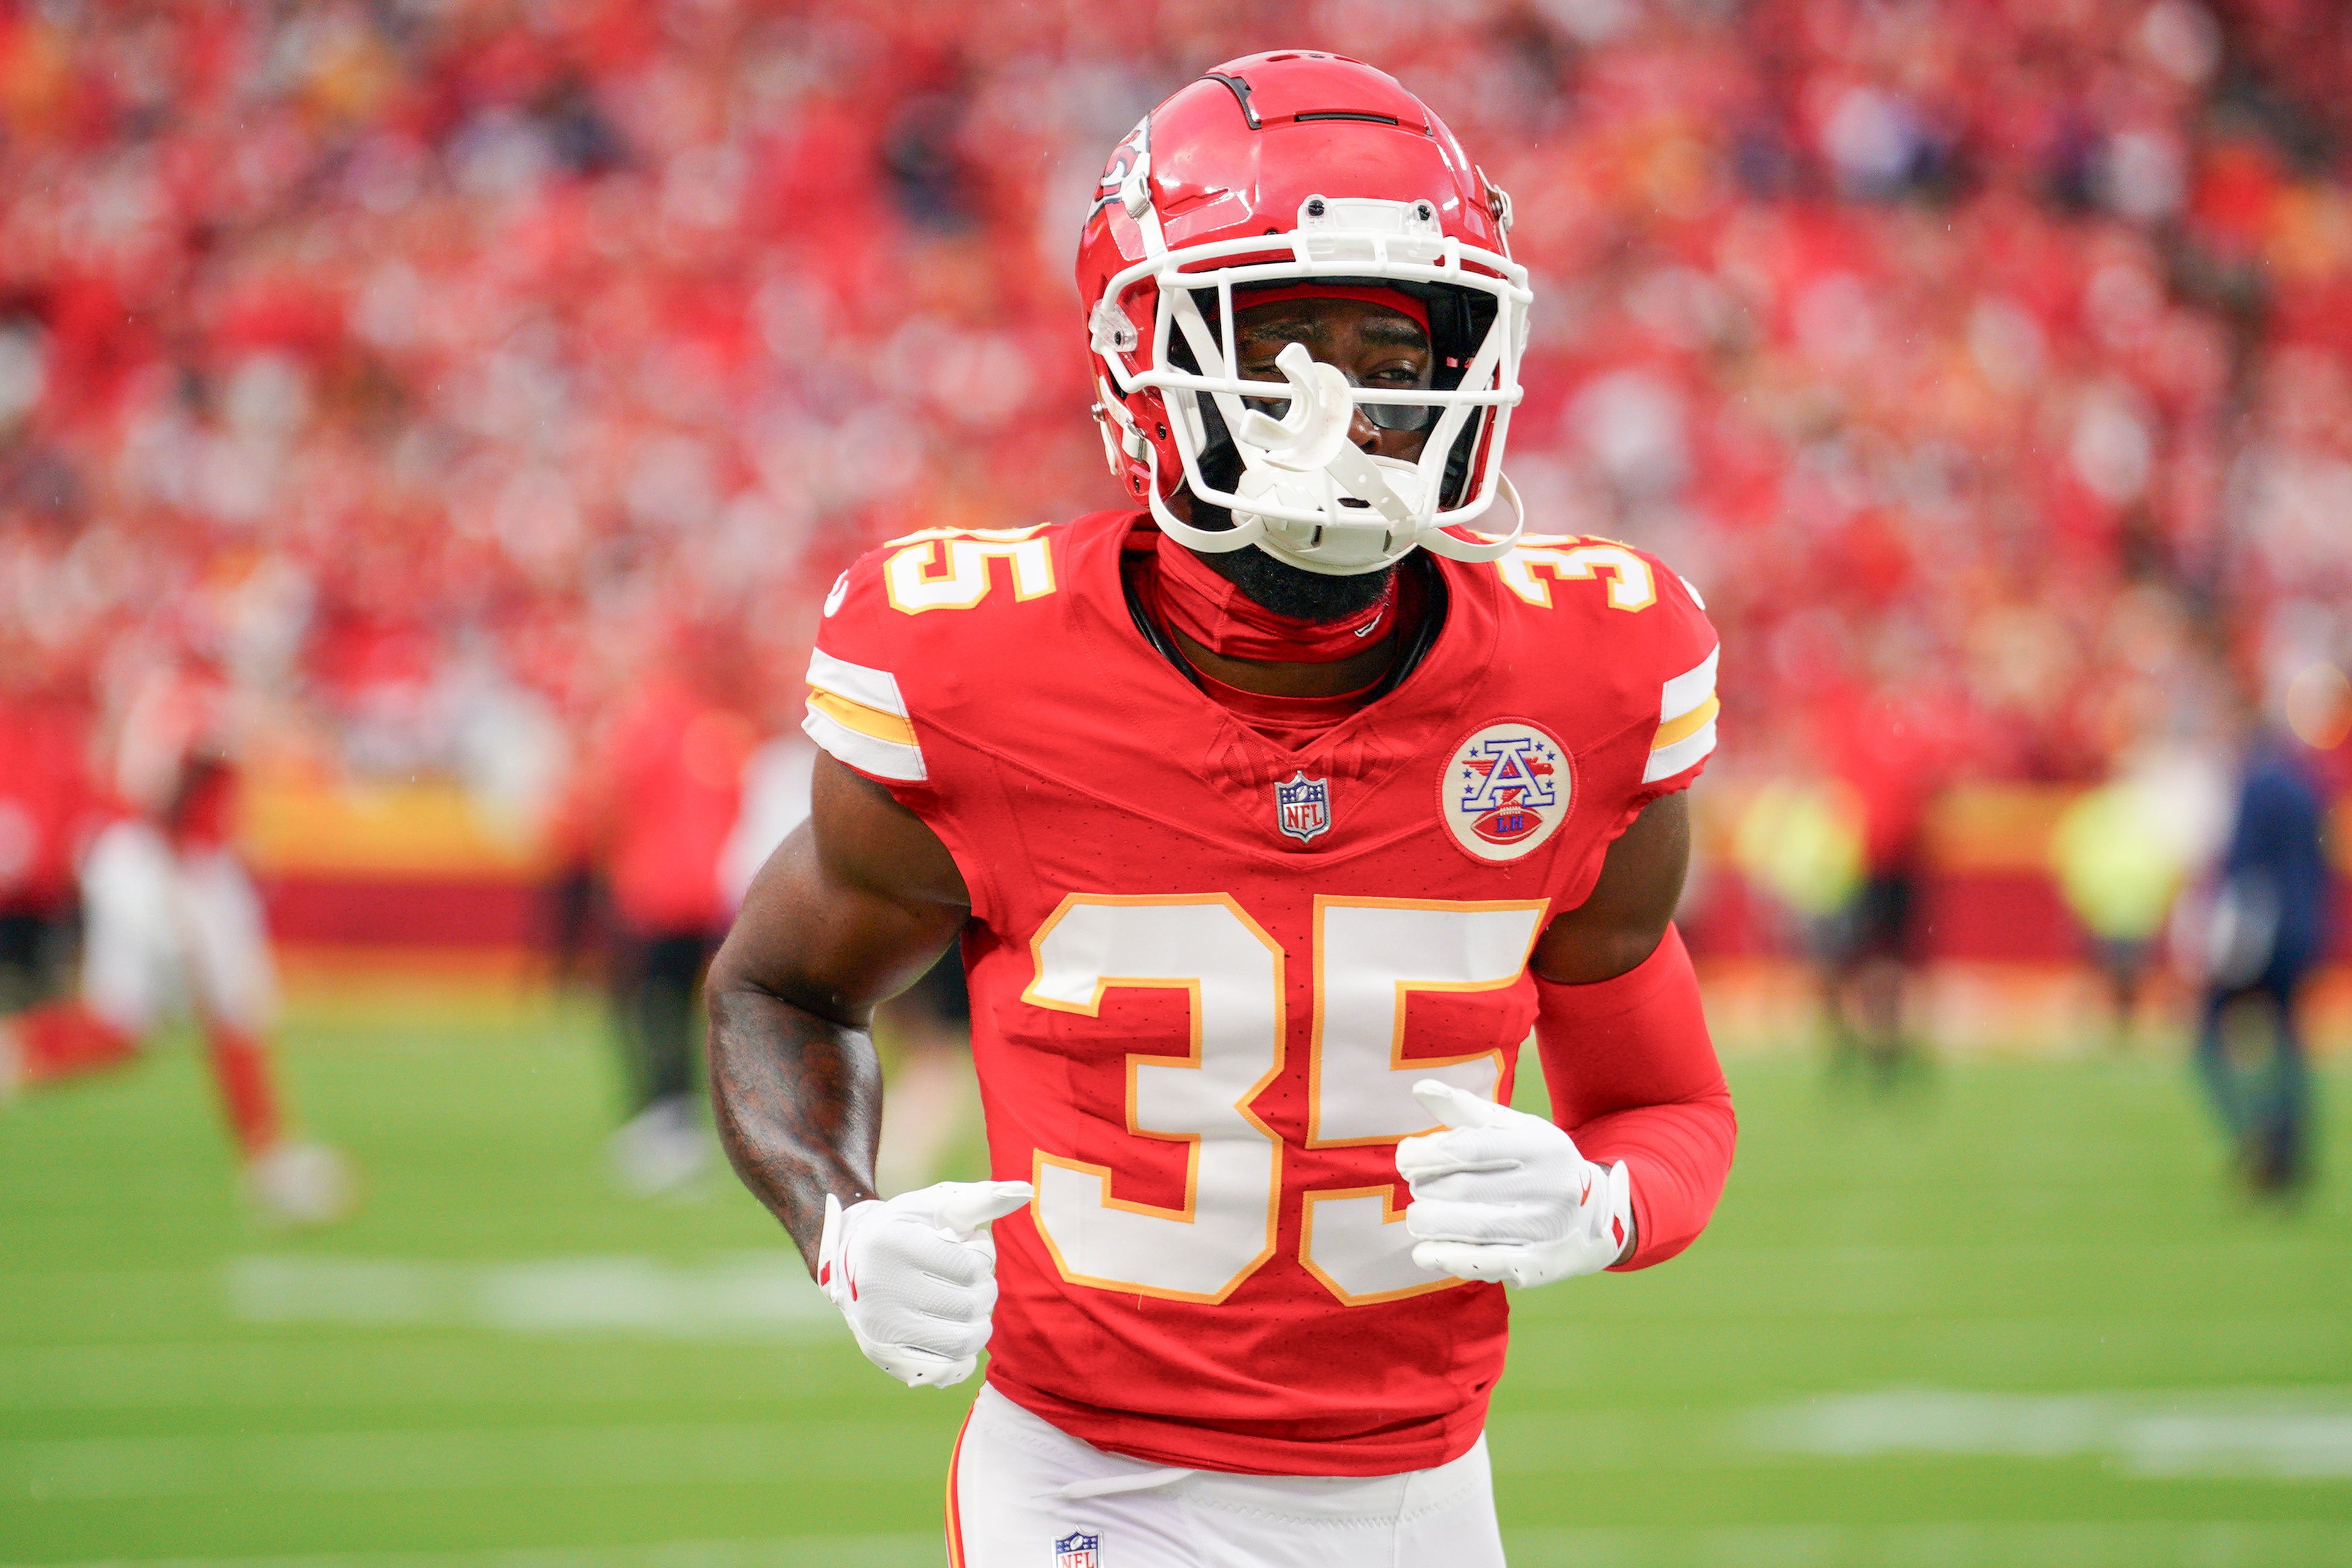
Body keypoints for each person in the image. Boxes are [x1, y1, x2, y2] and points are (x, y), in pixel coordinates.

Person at [707, 55, 1736, 1566]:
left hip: (1424, 1496)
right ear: (1149, 354)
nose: (1338, 404)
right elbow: (778, 985)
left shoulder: (1588, 678)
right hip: (1087, 1485)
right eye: (1278, 337)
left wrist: (1604, 1205)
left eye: (1385, 352)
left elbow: (1670, 1107)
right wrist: (836, 1219)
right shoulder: (974, 663)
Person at [0, 653, 353, 1225]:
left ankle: (14, 1052)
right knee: (233, 1006)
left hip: (138, 856)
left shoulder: (169, 689)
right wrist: (175, 874)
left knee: (121, 1025)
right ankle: (269, 1159)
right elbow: (168, 778)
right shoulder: (200, 698)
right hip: (166, 861)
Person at [2195, 724, 2332, 1194]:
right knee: (2288, 1036)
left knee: (2209, 1040)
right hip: (2302, 930)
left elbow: (2241, 866)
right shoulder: (2306, 787)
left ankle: (2258, 1134)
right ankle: (2292, 1144)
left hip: (2257, 932)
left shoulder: (2255, 789)